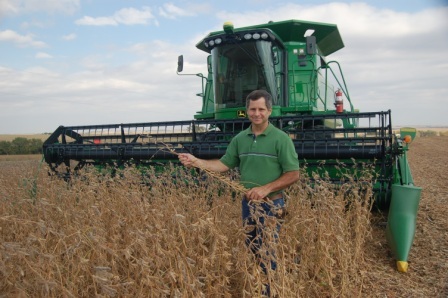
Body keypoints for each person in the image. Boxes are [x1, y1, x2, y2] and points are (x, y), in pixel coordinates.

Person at [178, 89, 300, 294]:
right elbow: (224, 165)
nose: (257, 113)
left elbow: (293, 174)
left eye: (261, 109)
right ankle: (257, 288)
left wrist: (265, 189)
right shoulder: (240, 139)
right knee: (253, 249)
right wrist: (197, 162)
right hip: (249, 205)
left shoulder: (281, 139)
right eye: (253, 109)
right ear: (247, 111)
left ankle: (269, 292)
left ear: (269, 111)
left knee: (266, 252)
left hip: (272, 205)